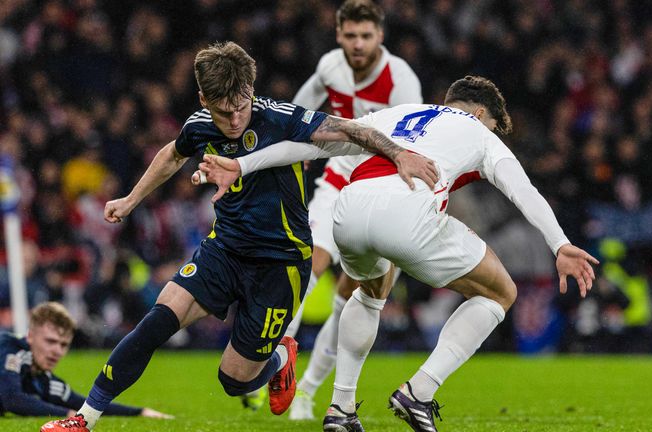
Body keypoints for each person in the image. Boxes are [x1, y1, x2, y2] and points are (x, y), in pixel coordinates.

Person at [41, 40, 438, 432]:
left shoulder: (281, 118)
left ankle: (280, 359)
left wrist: (400, 153)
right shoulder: (198, 126)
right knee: (155, 322)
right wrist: (131, 199)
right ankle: (83, 419)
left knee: (234, 381)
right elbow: (172, 154)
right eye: (221, 112)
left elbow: (351, 130)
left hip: (280, 265)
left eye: (240, 108)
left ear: (251, 90)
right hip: (225, 250)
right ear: (202, 98)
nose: (233, 121)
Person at [197, 75, 598, 432]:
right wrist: (560, 244)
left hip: (350, 211)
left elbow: (306, 146)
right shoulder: (478, 131)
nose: (491, 131)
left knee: (370, 293)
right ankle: (419, 391)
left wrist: (243, 164)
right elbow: (522, 190)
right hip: (408, 214)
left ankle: (341, 408)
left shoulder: (395, 114)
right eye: (493, 125)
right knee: (500, 292)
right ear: (479, 113)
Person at [283, 0, 422, 420]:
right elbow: (298, 108)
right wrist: (297, 145)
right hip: (339, 177)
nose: (357, 44)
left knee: (351, 299)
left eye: (366, 36)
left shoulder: (400, 80)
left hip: (382, 189)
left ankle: (307, 391)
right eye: (350, 36)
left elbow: (413, 144)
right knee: (309, 264)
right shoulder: (330, 66)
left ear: (380, 36)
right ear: (338, 34)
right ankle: (279, 363)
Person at [0, 302, 170, 419]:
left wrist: (139, 412)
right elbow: (13, 399)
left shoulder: (43, 380)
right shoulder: (10, 348)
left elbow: (81, 404)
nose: (57, 351)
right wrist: (68, 414)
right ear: (30, 336)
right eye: (50, 341)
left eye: (63, 344)